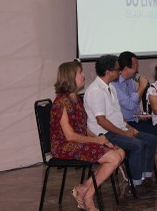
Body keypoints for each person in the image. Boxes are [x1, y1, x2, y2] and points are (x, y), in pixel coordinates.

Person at [50, 60, 125, 211]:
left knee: (120, 151)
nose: (83, 76)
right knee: (114, 157)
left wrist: (103, 140)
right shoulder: (61, 103)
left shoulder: (76, 99)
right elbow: (70, 136)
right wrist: (97, 140)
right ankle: (89, 196)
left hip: (78, 142)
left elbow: (83, 128)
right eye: (80, 73)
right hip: (64, 146)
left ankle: (84, 188)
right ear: (71, 77)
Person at [84, 55, 157, 199]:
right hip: (104, 134)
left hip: (118, 128)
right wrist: (124, 134)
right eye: (117, 69)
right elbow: (101, 121)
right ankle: (135, 185)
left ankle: (145, 179)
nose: (119, 72)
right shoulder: (95, 91)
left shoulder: (110, 86)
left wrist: (128, 127)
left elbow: (117, 114)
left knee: (151, 139)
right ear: (108, 72)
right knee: (137, 145)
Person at [112, 51, 157, 145]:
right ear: (126, 68)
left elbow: (134, 103)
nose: (137, 71)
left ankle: (146, 158)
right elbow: (130, 105)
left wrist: (140, 113)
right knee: (152, 137)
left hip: (135, 119)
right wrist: (142, 87)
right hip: (125, 123)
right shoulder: (114, 84)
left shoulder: (130, 81)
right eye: (135, 68)